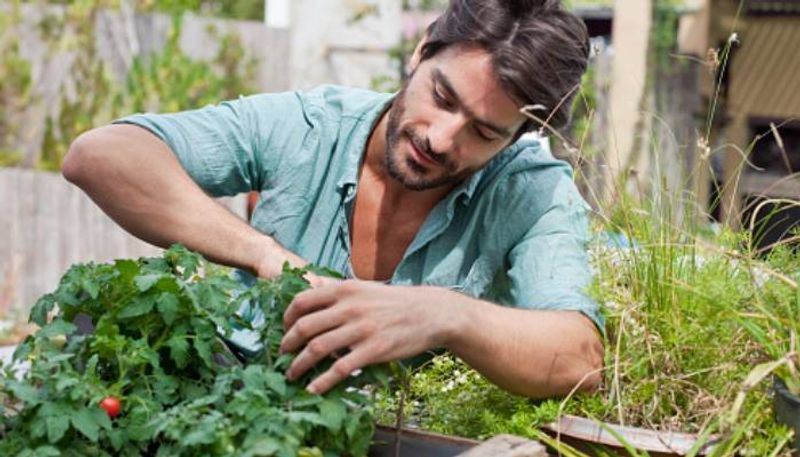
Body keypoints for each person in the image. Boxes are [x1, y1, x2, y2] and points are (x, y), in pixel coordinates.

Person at [63, 0, 604, 399]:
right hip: (231, 405)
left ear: (514, 138)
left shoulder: (530, 190)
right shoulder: (311, 126)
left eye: (484, 133)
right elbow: (102, 154)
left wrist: (445, 316)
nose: (441, 139)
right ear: (420, 53)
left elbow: (578, 356)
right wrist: (269, 258)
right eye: (442, 97)